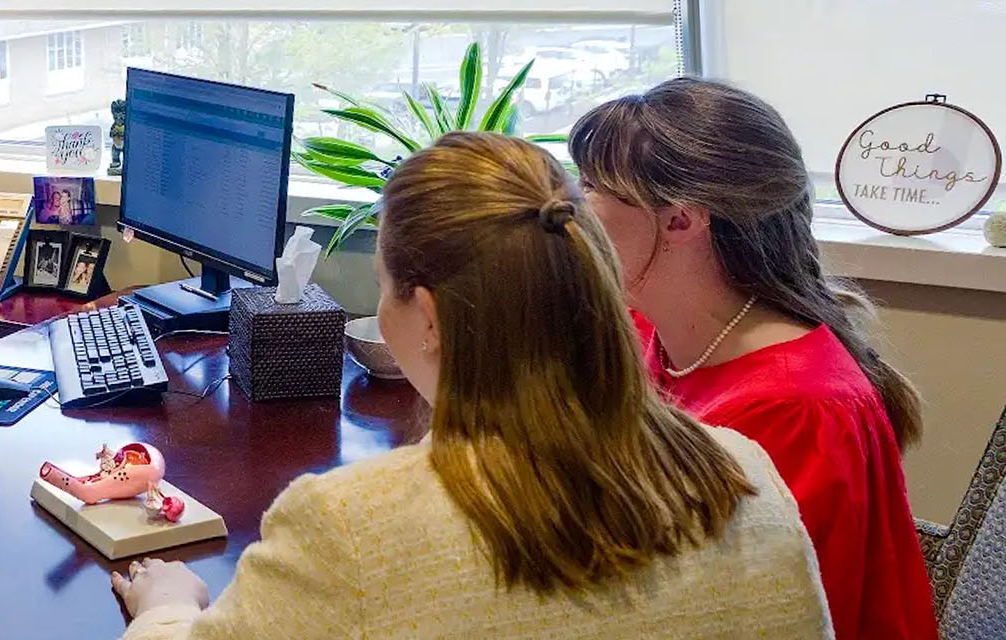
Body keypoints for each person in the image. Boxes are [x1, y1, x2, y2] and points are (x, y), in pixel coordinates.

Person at [107, 132, 830, 639]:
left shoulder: (351, 523)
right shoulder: (745, 471)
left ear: (427, 316)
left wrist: (168, 607)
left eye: (383, 287)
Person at [569, 78, 935, 639]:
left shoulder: (796, 410)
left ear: (681, 220)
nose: (571, 205)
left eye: (589, 186)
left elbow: (772, 619)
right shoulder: (654, 328)